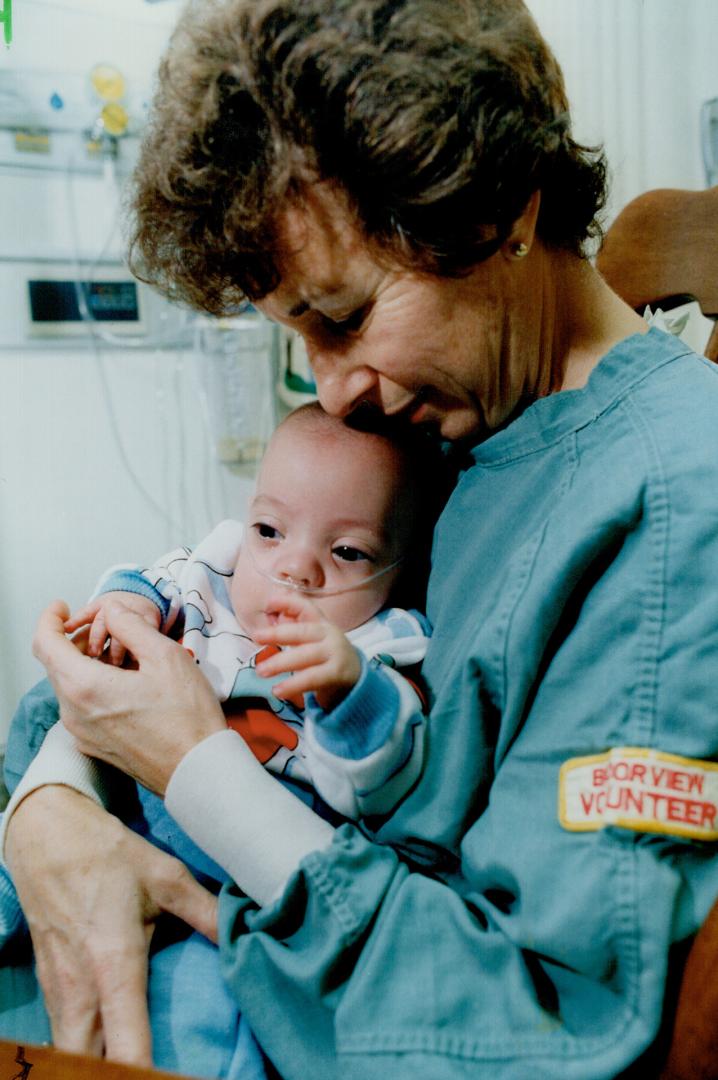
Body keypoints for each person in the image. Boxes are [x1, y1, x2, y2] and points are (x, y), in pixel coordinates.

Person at [3, 0, 718, 1077]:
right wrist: (52, 807)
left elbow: (534, 1030)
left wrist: (198, 773)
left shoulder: (669, 507)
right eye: (292, 329)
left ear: (501, 211)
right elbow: (166, 652)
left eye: (341, 315)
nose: (331, 390)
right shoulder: (450, 416)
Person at [0, 401, 438, 1077]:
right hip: (126, 805)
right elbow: (139, 582)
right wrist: (129, 608)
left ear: (402, 569)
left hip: (238, 874)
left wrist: (349, 689)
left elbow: (392, 770)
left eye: (346, 551)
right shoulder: (216, 574)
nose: (295, 567)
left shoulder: (381, 647)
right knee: (15, 857)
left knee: (210, 1010)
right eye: (270, 529)